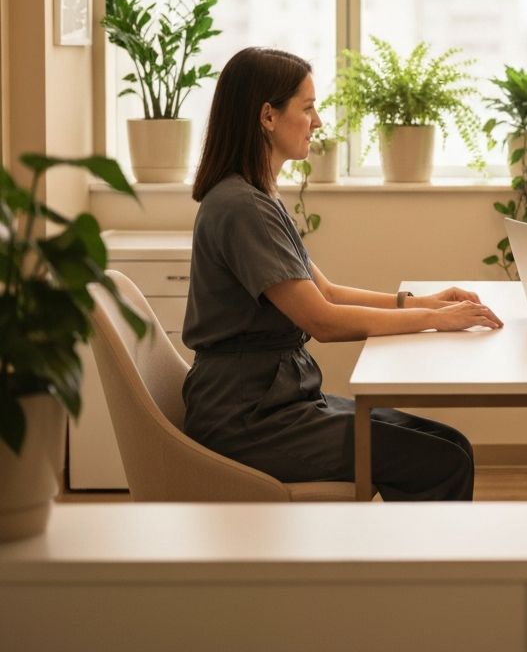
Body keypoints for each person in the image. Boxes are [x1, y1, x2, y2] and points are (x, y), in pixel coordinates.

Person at [181, 46, 503, 500]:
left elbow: (325, 292)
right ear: (268, 116)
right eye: (308, 108)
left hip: (275, 403)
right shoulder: (241, 207)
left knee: (450, 446)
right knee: (439, 459)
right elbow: (323, 321)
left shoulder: (258, 198)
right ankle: (425, 571)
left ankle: (424, 570)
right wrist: (436, 319)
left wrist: (422, 303)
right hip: (249, 420)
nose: (319, 121)